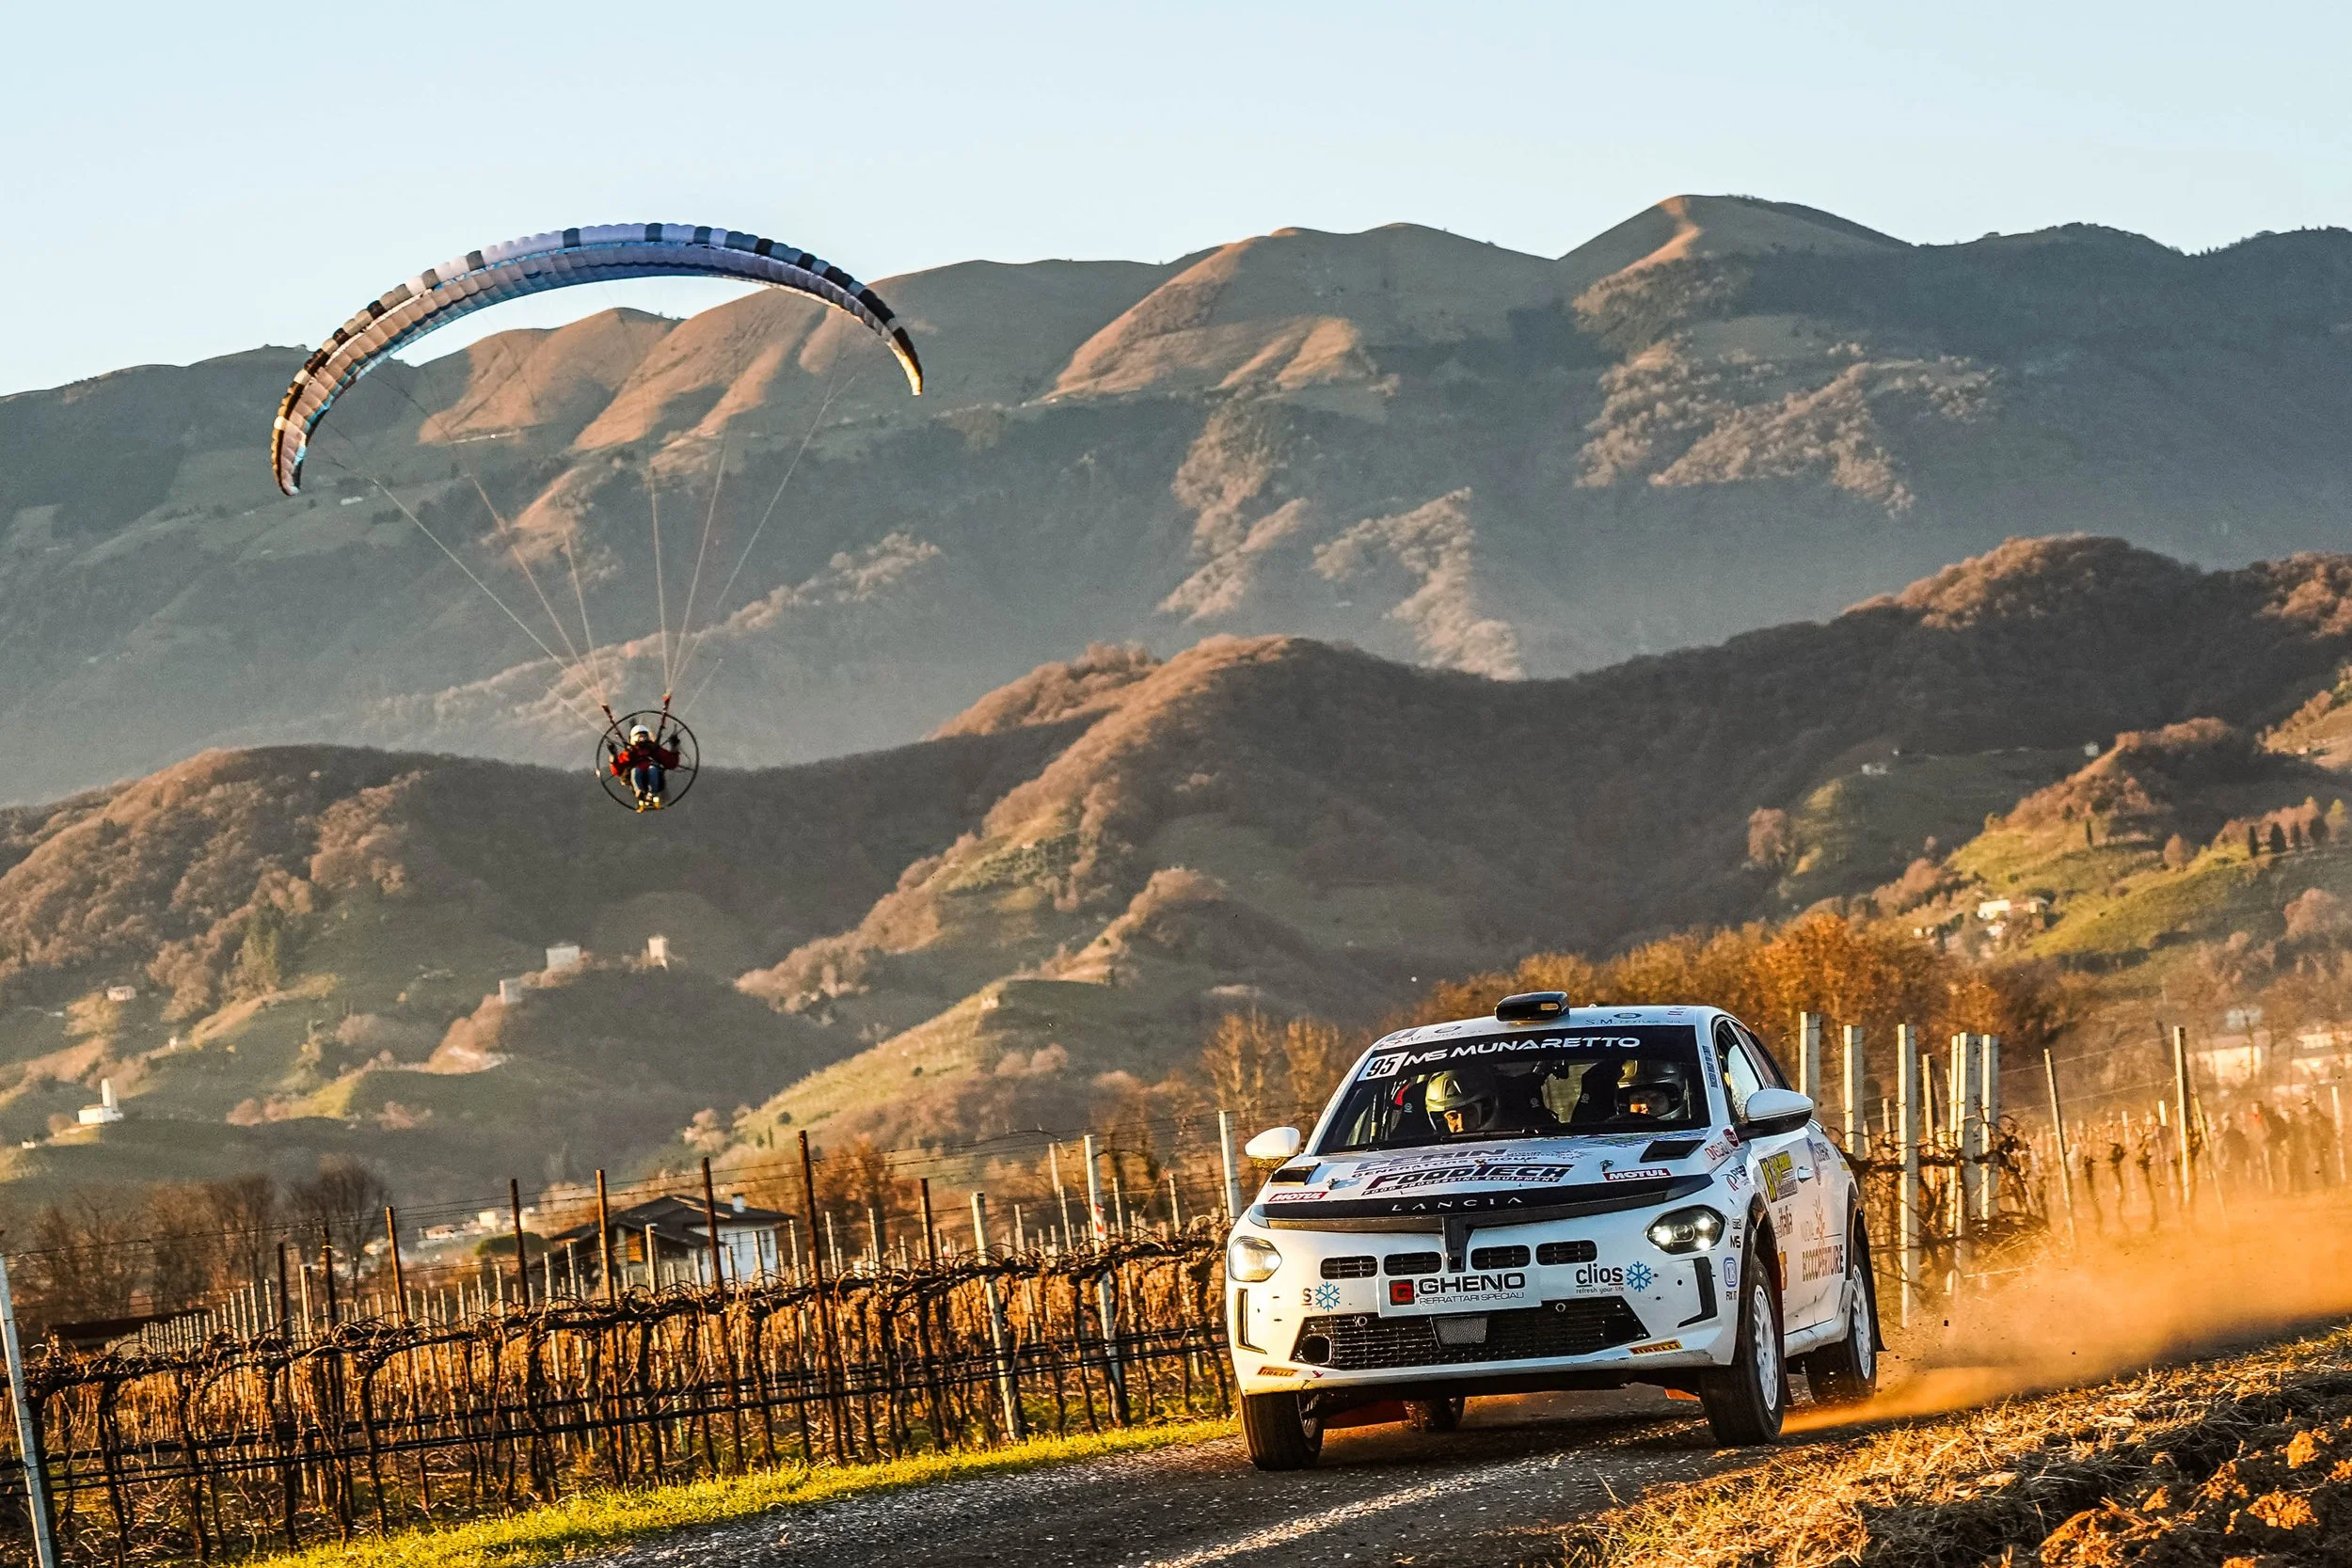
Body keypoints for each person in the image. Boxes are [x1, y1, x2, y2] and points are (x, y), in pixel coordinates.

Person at [609, 722, 682, 812]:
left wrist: (675, 746)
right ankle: (639, 791)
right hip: (637, 775)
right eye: (639, 736)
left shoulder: (654, 750)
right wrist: (614, 755)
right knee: (636, 770)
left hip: (655, 775)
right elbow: (617, 770)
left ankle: (651, 793)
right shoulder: (630, 753)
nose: (642, 738)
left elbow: (671, 762)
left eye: (644, 736)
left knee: (653, 769)